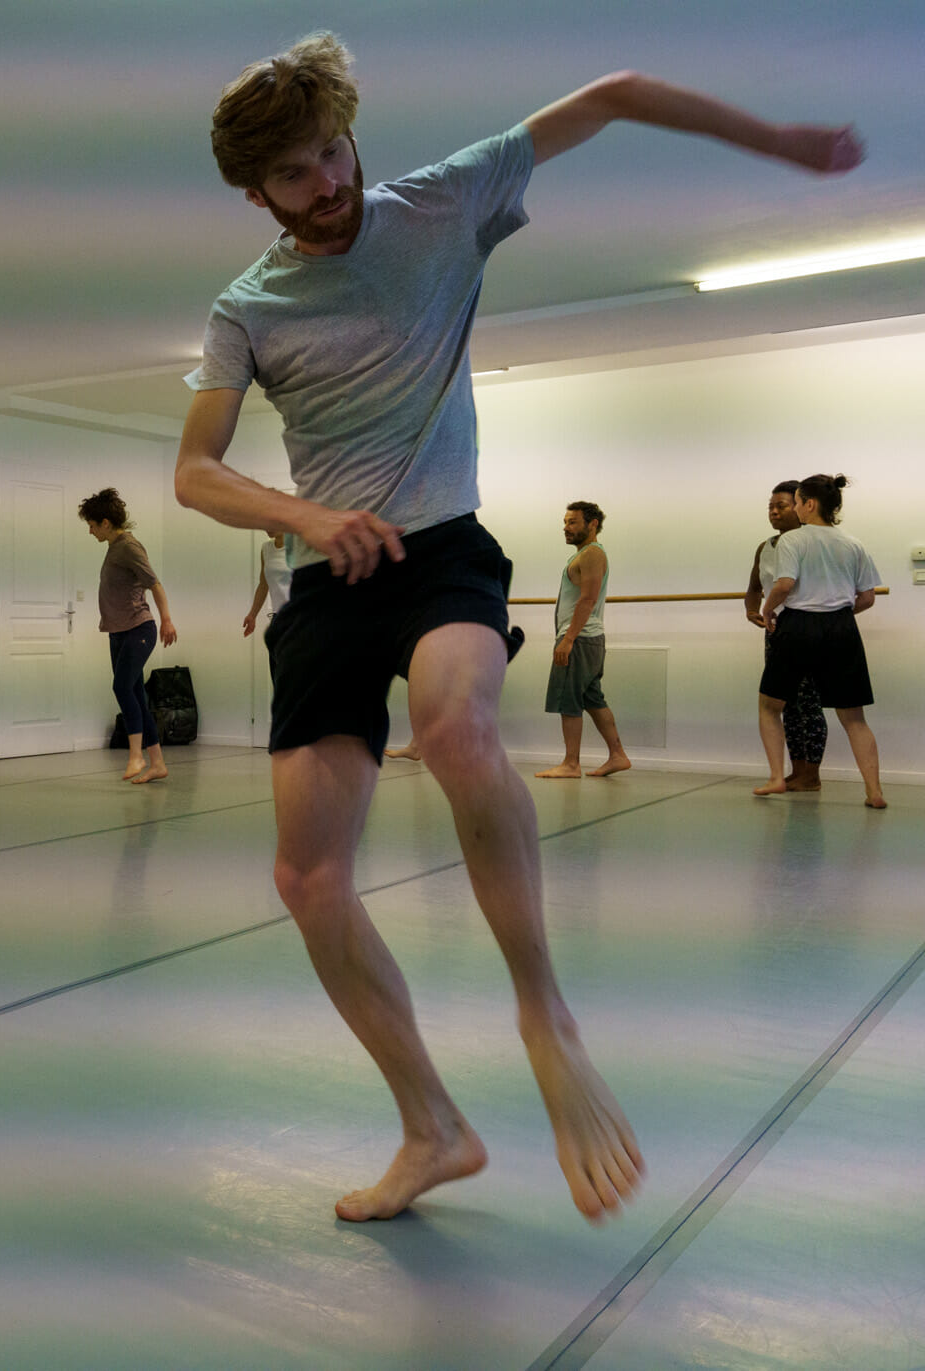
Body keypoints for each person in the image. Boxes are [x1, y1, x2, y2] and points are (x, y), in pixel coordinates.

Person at [174, 30, 860, 1223]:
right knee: (305, 877)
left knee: (455, 728)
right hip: (325, 573)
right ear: (254, 194)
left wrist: (775, 141)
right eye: (293, 174)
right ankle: (431, 1128)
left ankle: (543, 1011)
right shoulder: (246, 308)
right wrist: (304, 516)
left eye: (332, 152)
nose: (326, 183)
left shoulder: (442, 203)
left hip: (440, 549)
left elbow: (615, 93)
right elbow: (194, 472)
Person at [757, 474, 884, 807]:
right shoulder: (853, 544)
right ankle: (874, 791)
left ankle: (776, 778)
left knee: (770, 706)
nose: (796, 508)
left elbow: (784, 584)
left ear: (810, 504)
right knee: (854, 717)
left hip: (798, 625)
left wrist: (768, 610)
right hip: (842, 627)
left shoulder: (794, 540)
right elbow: (868, 597)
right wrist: (836, 613)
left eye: (797, 502)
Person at [81, 488, 179, 782]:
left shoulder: (129, 547)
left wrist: (167, 620)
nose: (90, 531)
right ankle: (157, 763)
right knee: (136, 694)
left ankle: (136, 755)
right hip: (118, 632)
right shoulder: (114, 547)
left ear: (106, 523)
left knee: (122, 687)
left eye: (92, 525)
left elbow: (155, 583)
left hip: (139, 629)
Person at [535, 502, 630, 779]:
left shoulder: (592, 554)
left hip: (580, 639)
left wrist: (568, 640)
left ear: (593, 524)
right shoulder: (584, 555)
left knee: (569, 699)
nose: (566, 528)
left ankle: (571, 764)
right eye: (565, 522)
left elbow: (587, 599)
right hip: (586, 639)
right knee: (592, 698)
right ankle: (618, 755)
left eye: (573, 522)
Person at [745, 480, 827, 790]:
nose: (774, 512)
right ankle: (797, 770)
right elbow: (755, 587)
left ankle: (812, 774)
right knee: (785, 702)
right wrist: (752, 610)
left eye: (781, 506)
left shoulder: (813, 542)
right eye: (770, 507)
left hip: (806, 629)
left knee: (809, 701)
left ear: (800, 507)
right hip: (776, 630)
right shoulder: (765, 547)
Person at [242, 530, 292, 635]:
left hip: (297, 614)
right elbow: (263, 585)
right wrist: (252, 615)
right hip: (278, 615)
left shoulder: (298, 548)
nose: (267, 528)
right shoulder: (266, 548)